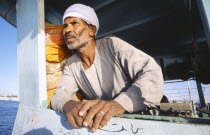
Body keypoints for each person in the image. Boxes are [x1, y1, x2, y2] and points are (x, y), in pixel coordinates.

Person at [51, 3, 164, 132]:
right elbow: (59, 96)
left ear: (91, 30)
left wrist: (120, 104)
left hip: (138, 123)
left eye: (74, 23)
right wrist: (68, 105)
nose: (67, 30)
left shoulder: (112, 45)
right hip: (105, 127)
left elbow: (151, 72)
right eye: (65, 25)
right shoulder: (71, 64)